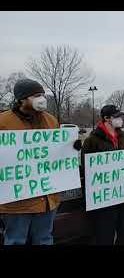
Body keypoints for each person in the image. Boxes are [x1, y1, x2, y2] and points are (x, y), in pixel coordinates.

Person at [0, 79, 81, 245]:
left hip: (47, 198)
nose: (42, 99)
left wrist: (71, 147)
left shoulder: (50, 120)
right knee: (16, 240)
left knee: (44, 239)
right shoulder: (3, 122)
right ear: (22, 99)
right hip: (18, 202)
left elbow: (57, 151)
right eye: (37, 95)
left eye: (43, 95)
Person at [81, 104, 124, 245]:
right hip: (105, 200)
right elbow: (87, 169)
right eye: (117, 116)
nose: (120, 119)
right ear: (106, 118)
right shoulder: (92, 141)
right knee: (104, 236)